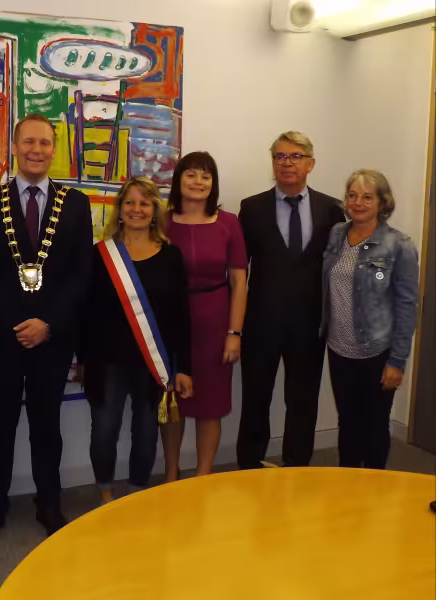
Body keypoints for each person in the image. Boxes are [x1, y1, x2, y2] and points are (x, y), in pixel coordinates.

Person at [0, 114, 93, 549]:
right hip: (4, 339)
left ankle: (49, 503)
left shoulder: (75, 204)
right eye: (29, 142)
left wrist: (48, 324)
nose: (37, 150)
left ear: (53, 149)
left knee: (46, 426)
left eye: (44, 143)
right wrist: (17, 323)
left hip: (52, 339)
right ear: (15, 147)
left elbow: (81, 273)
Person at [237, 131, 344, 469]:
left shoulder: (332, 209)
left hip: (310, 325)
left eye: (295, 156)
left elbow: (341, 267)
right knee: (255, 399)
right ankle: (249, 467)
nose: (287, 163)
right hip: (260, 324)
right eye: (280, 156)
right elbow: (239, 272)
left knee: (302, 402)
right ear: (272, 164)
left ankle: (297, 466)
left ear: (311, 163)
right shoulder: (251, 208)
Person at [82, 177, 192, 504]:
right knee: (104, 431)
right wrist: (84, 360)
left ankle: (136, 495)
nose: (137, 209)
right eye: (129, 202)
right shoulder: (100, 255)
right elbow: (86, 313)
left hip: (152, 362)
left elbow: (180, 317)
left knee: (145, 435)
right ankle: (105, 493)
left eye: (144, 203)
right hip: (107, 361)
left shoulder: (171, 257)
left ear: (155, 210)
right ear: (120, 209)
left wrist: (183, 367)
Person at [322, 170, 419, 469]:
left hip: (377, 351)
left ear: (382, 202)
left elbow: (406, 305)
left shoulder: (398, 244)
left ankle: (376, 487)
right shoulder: (337, 233)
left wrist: (397, 362)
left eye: (367, 196)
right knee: (347, 423)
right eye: (352, 195)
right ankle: (349, 485)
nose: (358, 202)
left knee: (375, 426)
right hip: (338, 349)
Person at [162, 152, 248, 481]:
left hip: (215, 321)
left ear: (213, 184)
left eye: (206, 176)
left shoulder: (229, 223)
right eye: (191, 175)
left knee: (210, 404)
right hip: (171, 322)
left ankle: (203, 475)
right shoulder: (163, 220)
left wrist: (234, 333)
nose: (198, 182)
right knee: (172, 404)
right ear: (178, 179)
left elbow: (239, 281)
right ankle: (171, 474)